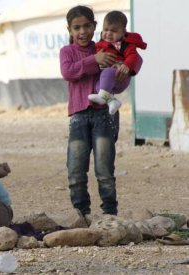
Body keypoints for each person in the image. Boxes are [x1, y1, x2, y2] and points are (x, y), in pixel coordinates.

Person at [59, 5, 142, 217]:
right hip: (78, 116)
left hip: (104, 115)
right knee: (76, 171)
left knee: (104, 170)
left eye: (87, 26)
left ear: (95, 26)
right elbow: (68, 72)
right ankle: (81, 215)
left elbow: (133, 59)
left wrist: (126, 69)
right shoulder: (68, 52)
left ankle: (109, 215)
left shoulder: (106, 47)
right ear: (69, 30)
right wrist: (93, 61)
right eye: (77, 27)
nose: (82, 31)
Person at [88, 10, 147, 115]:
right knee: (98, 85)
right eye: (105, 29)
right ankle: (112, 101)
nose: (109, 33)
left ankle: (103, 96)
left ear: (123, 32)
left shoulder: (125, 45)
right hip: (107, 81)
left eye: (113, 31)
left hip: (120, 77)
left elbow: (133, 56)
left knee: (107, 73)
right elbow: (92, 57)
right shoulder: (99, 45)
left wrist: (125, 65)